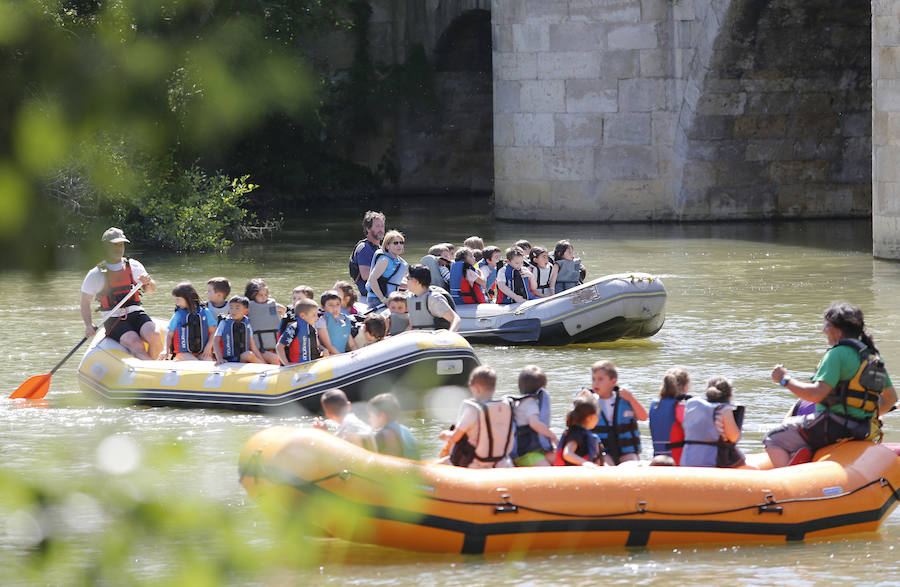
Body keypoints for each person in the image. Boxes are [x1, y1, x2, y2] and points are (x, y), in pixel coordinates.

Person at [764, 303, 897, 467]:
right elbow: (891, 398)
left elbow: (816, 394)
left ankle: (786, 486)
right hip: (863, 429)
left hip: (832, 426)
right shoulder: (873, 358)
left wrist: (784, 380)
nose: (824, 330)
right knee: (796, 428)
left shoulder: (836, 354)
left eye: (827, 325)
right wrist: (864, 411)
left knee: (773, 437)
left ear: (838, 331)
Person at [80, 227, 161, 360]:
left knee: (155, 336)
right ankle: (153, 373)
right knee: (136, 343)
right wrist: (89, 325)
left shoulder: (134, 265)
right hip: (113, 319)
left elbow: (151, 290)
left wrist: (148, 282)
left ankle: (157, 370)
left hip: (136, 313)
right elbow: (85, 302)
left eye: (121, 244)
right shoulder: (95, 274)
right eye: (115, 245)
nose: (119, 248)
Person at [439, 366, 515, 469]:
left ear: (477, 388)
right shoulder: (505, 407)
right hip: (501, 463)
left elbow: (455, 438)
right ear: (493, 388)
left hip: (475, 463)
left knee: (435, 467)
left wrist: (444, 435)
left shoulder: (472, 410)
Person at [589, 360, 648, 465]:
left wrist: (631, 399)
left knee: (632, 463)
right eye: (593, 379)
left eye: (600, 379)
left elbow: (643, 417)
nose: (595, 383)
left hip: (626, 450)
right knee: (606, 465)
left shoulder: (625, 398)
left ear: (613, 382)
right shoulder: (590, 401)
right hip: (603, 451)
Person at [681, 381, 745, 468]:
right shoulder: (724, 409)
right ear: (729, 394)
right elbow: (734, 438)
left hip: (687, 460)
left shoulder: (692, 404)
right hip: (712, 461)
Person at [510, 365, 558, 466]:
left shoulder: (528, 403)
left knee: (558, 460)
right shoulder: (530, 404)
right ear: (542, 388)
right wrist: (552, 436)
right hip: (526, 453)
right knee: (547, 468)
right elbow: (534, 424)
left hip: (537, 450)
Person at [162, 282, 216, 361]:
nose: (176, 302)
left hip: (202, 352)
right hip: (183, 353)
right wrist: (165, 350)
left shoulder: (206, 312)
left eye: (178, 299)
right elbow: (170, 334)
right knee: (193, 361)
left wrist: (208, 347)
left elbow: (213, 332)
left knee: (208, 360)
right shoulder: (178, 315)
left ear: (188, 298)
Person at [649, 367, 691, 465]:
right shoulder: (680, 409)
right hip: (676, 462)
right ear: (684, 388)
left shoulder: (655, 406)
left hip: (658, 460)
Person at [405, 264, 461, 332]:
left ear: (415, 281)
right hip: (418, 338)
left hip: (436, 339)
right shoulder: (410, 298)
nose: (406, 282)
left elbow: (455, 319)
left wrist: (450, 334)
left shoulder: (433, 299)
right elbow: (411, 325)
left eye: (407, 279)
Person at [213, 296, 266, 364]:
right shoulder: (224, 322)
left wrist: (262, 361)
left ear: (246, 311)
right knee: (249, 355)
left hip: (242, 358)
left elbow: (253, 346)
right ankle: (262, 365)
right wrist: (219, 359)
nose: (233, 310)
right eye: (231, 307)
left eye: (237, 308)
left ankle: (263, 365)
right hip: (227, 359)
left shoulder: (246, 324)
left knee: (249, 355)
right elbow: (215, 341)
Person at [554, 391, 601, 467]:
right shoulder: (577, 434)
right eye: (598, 415)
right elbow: (567, 454)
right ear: (592, 417)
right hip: (571, 475)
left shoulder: (583, 433)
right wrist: (585, 463)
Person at [244, 278, 284, 365]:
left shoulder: (274, 306)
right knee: (277, 360)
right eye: (260, 295)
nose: (264, 297)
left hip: (273, 347)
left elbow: (283, 313)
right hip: (259, 350)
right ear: (251, 295)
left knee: (280, 357)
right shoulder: (246, 309)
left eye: (266, 294)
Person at [368, 393, 420, 459]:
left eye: (371, 415)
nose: (369, 419)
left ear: (382, 416)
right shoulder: (406, 430)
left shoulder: (382, 434)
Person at [366, 230, 408, 309]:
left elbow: (392, 282)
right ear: (387, 246)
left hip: (390, 298)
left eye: (401, 243)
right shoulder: (384, 260)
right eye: (395, 243)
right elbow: (372, 279)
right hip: (377, 299)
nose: (399, 245)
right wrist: (383, 299)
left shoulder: (397, 261)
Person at [349, 210, 386, 296]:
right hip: (369, 292)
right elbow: (365, 276)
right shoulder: (364, 248)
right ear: (368, 228)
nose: (381, 229)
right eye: (377, 226)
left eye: (382, 226)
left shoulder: (380, 248)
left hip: (380, 287)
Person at [275, 298, 321, 365]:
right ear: (302, 316)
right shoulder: (293, 329)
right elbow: (279, 347)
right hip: (295, 366)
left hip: (309, 364)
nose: (317, 318)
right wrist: (287, 364)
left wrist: (324, 350)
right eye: (314, 315)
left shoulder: (312, 329)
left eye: (317, 314)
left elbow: (318, 345)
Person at [316, 289, 358, 355]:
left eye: (337, 304)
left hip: (341, 355)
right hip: (330, 357)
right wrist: (343, 357)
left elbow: (352, 345)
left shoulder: (344, 321)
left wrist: (357, 354)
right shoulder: (322, 321)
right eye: (330, 305)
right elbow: (329, 346)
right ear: (323, 307)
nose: (335, 308)